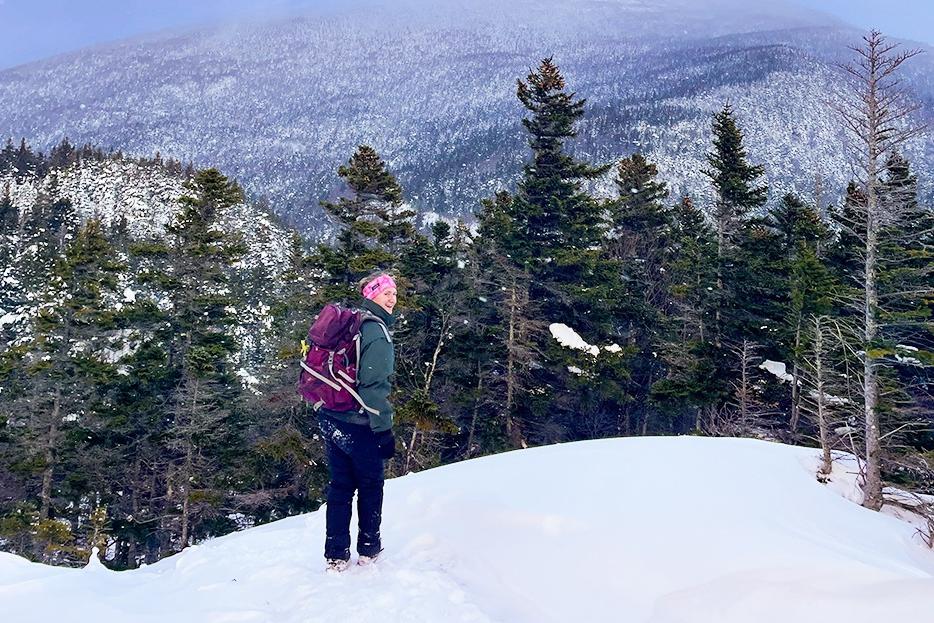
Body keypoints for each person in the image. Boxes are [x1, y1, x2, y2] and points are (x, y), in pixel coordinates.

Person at [318, 271, 398, 572]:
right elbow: (373, 387)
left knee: (340, 487)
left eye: (394, 293)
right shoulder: (375, 331)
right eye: (386, 293)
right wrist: (383, 429)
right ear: (370, 294)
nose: (392, 299)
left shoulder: (351, 322)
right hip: (358, 422)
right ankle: (369, 548)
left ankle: (336, 554)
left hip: (331, 415)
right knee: (370, 484)